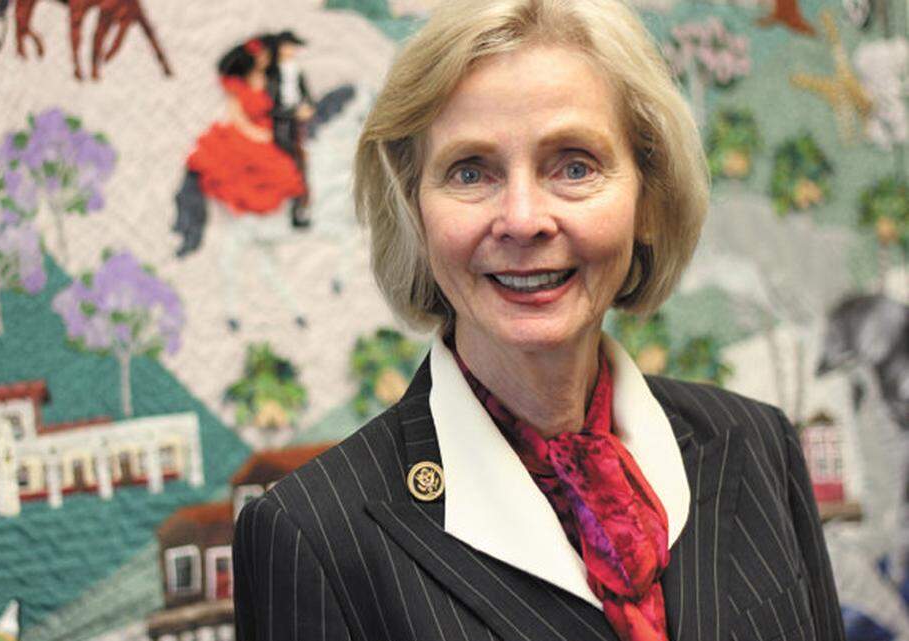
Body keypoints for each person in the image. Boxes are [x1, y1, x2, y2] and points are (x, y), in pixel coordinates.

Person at [231, 0, 846, 639]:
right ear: (414, 212)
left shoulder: (757, 444)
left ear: (648, 198)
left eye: (574, 165)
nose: (523, 219)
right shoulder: (311, 537)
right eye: (471, 171)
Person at [181, 37, 308, 330]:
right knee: (264, 174)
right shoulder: (238, 86)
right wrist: (260, 136)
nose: (267, 57)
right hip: (250, 139)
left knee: (292, 169)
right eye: (263, 54)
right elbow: (236, 117)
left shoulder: (271, 79)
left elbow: (282, 107)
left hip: (270, 135)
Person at [263, 30, 315, 228]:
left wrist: (307, 108)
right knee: (293, 164)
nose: (291, 50)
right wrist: (293, 113)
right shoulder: (272, 73)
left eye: (293, 47)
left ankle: (299, 209)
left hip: (296, 125)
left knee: (302, 165)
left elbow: (307, 96)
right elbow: (269, 106)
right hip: (279, 126)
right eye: (288, 46)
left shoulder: (297, 71)